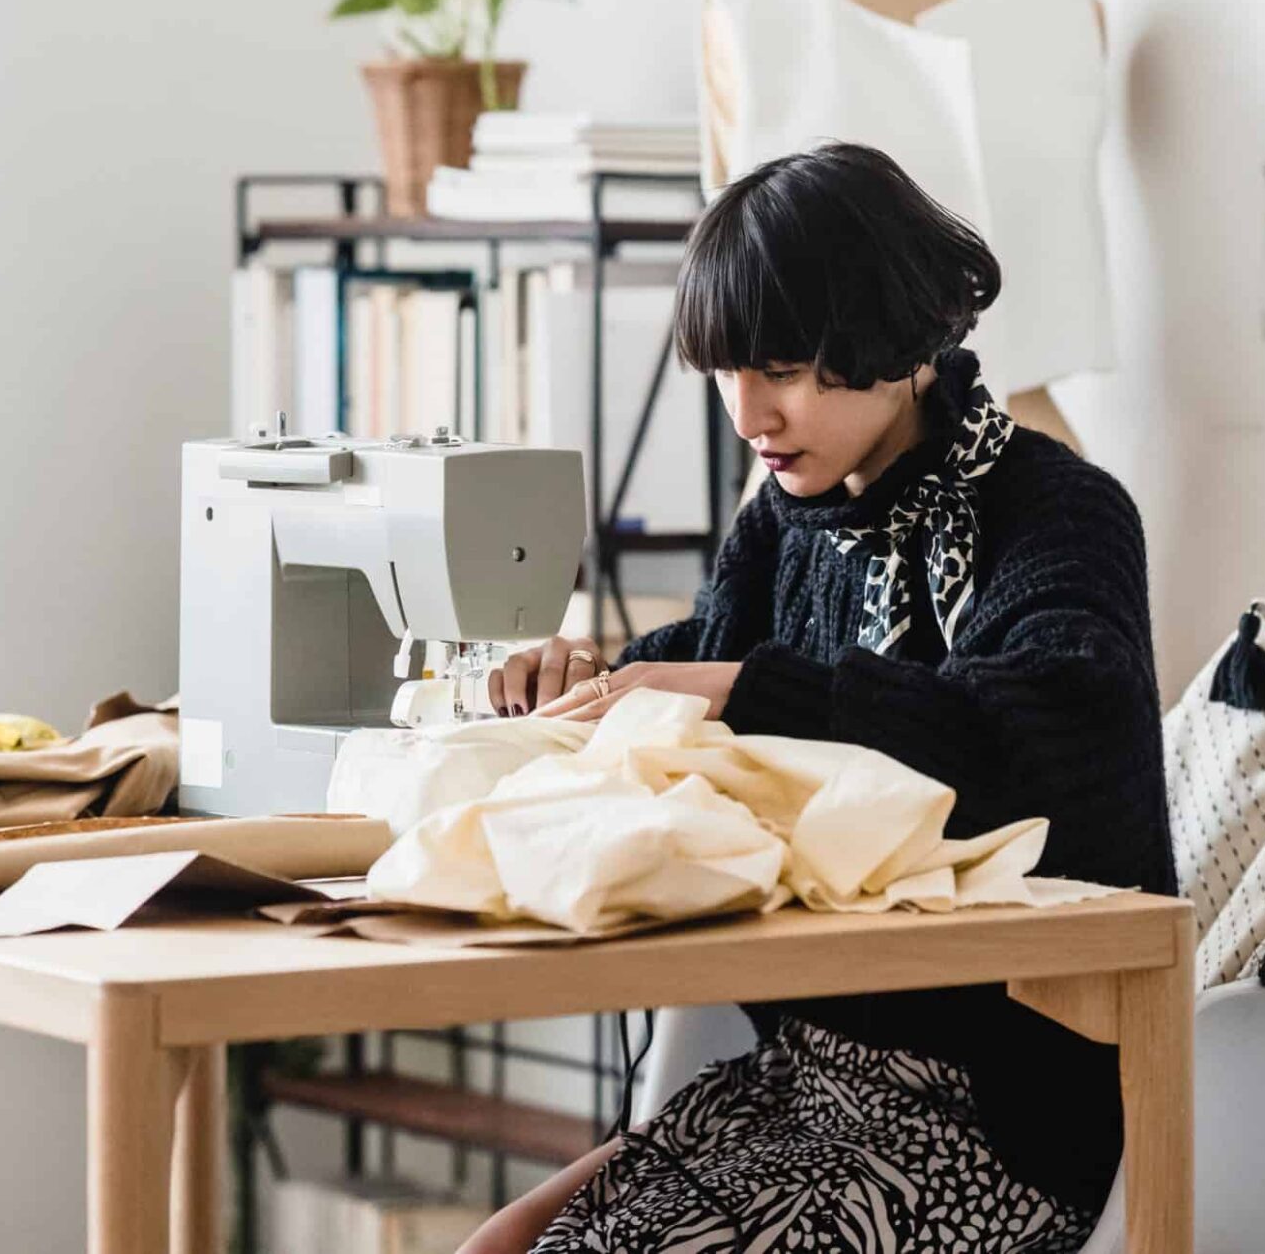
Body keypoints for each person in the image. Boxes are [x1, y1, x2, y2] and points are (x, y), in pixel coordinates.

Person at [463, 141, 1174, 1254]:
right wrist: (581, 676)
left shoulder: (1058, 512)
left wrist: (741, 686)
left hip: (996, 1111)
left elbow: (1036, 726)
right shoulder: (787, 522)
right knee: (495, 1250)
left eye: (785, 367)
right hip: (805, 1076)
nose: (750, 410)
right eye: (727, 371)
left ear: (894, 339)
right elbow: (704, 646)